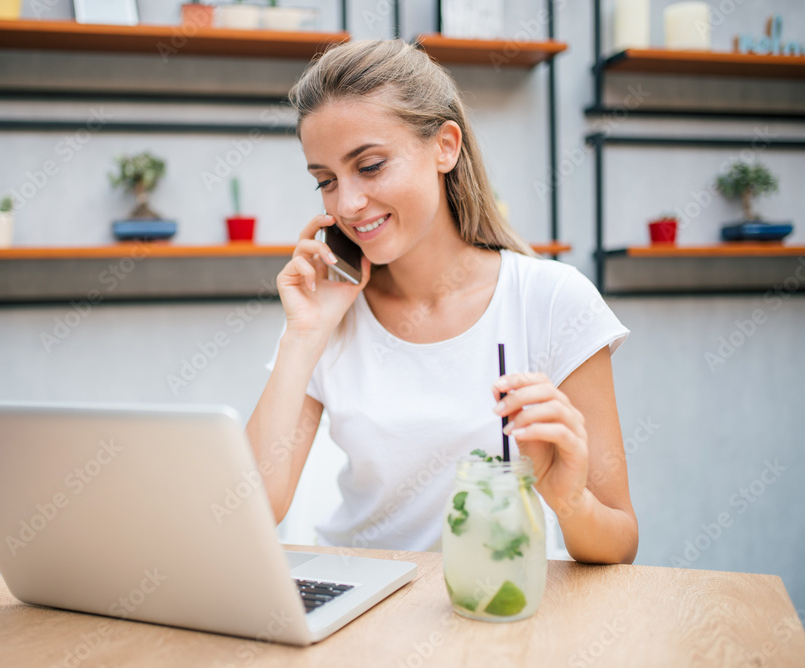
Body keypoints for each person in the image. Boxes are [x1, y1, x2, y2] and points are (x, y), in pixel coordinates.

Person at [246, 39, 638, 564]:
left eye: (370, 166)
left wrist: (565, 498)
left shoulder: (550, 301)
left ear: (444, 147)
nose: (347, 203)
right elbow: (249, 509)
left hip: (491, 605)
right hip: (358, 607)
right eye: (325, 181)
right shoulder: (327, 312)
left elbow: (620, 540)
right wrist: (304, 335)